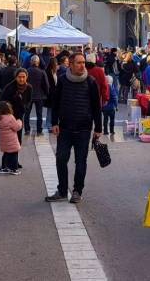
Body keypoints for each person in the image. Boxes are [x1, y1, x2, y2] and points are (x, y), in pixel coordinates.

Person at [45, 52, 102, 204]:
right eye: (79, 62)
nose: (82, 65)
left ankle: (77, 191)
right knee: (61, 159)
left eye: (83, 62)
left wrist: (98, 128)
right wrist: (54, 123)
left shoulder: (91, 81)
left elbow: (97, 107)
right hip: (64, 128)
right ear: (70, 64)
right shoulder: (62, 81)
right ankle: (62, 191)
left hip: (83, 129)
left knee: (81, 161)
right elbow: (55, 103)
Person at [0, 69, 33, 145]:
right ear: (16, 77)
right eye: (19, 77)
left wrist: (25, 108)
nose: (21, 79)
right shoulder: (9, 87)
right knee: (10, 139)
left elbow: (29, 101)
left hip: (20, 115)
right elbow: (2, 101)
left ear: (26, 77)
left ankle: (16, 153)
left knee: (18, 137)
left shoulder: (29, 88)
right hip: (9, 116)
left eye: (23, 77)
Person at [0, 101, 23, 175]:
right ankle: (14, 169)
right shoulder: (10, 117)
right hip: (12, 140)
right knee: (14, 154)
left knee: (6, 154)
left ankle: (4, 168)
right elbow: (16, 127)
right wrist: (19, 121)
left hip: (4, 141)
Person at [25, 55, 50, 135]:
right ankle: (39, 130)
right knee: (39, 114)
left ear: (31, 62)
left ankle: (27, 129)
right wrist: (46, 93)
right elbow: (46, 85)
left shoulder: (26, 71)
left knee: (27, 114)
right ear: (38, 63)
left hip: (29, 95)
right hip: (39, 95)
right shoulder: (42, 72)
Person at [44, 57, 59, 132]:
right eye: (55, 64)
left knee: (54, 110)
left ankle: (54, 125)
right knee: (50, 110)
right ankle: (49, 125)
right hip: (50, 95)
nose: (57, 65)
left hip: (56, 94)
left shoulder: (56, 72)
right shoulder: (47, 72)